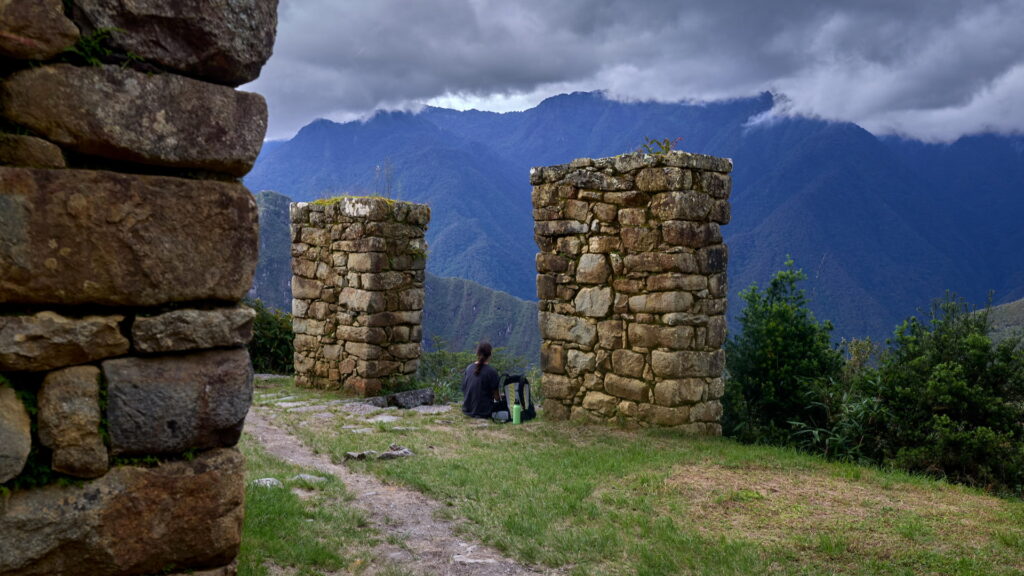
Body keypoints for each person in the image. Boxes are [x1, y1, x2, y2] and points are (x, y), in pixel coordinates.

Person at [461, 341, 501, 418]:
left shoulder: (469, 368)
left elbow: (465, 389)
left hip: (467, 410)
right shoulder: (492, 372)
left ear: (477, 353)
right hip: (484, 412)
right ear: (490, 355)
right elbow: (497, 398)